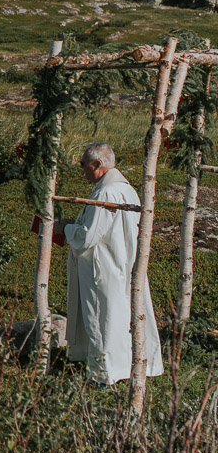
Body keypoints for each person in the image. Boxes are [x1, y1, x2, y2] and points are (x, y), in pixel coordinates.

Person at [53, 143, 165, 386]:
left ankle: (102, 375)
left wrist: (65, 227)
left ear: (97, 165)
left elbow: (87, 237)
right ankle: (128, 367)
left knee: (102, 320)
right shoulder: (128, 190)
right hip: (123, 265)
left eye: (84, 165)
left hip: (102, 269)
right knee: (122, 318)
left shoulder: (105, 193)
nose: (82, 169)